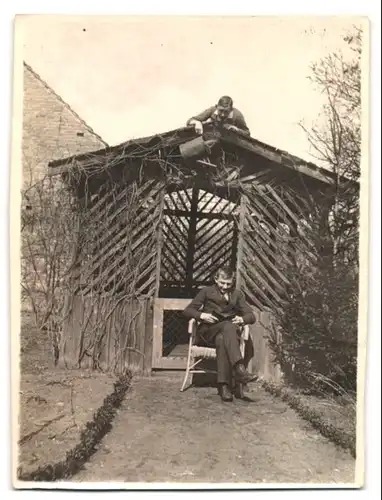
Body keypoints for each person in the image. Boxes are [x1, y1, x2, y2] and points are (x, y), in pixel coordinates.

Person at [183, 267, 256, 402]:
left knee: (223, 337)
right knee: (228, 326)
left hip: (226, 337)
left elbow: (252, 316)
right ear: (216, 279)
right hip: (208, 333)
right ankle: (239, 368)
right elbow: (187, 311)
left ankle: (224, 387)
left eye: (228, 284)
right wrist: (202, 315)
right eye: (222, 283)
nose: (225, 286)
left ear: (232, 282)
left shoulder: (237, 294)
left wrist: (242, 319)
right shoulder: (206, 291)